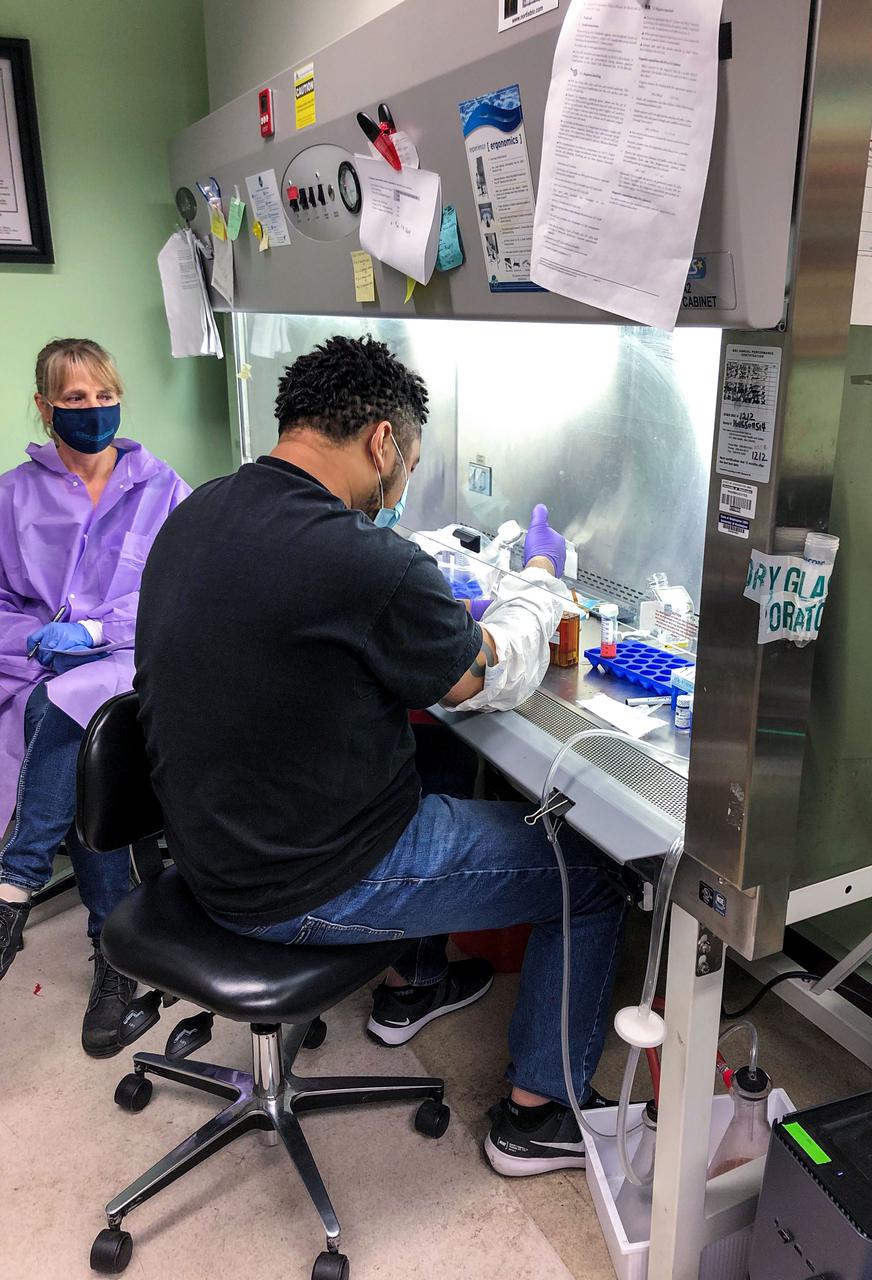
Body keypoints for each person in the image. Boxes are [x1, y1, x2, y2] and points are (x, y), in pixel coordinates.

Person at [135, 335, 626, 1176]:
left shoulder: (199, 512)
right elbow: (479, 676)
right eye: (409, 463)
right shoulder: (360, 558)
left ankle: (413, 986)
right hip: (302, 882)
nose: (399, 489)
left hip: (209, 851)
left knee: (429, 761)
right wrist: (540, 585)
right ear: (383, 443)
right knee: (591, 871)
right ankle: (538, 1115)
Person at [0, 338, 190, 1056]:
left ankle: (13, 885)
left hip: (133, 663)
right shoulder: (11, 495)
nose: (93, 410)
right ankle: (113, 952)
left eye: (105, 395)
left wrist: (96, 627)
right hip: (38, 668)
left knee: (82, 713)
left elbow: (182, 590)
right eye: (75, 399)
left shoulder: (162, 486)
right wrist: (36, 636)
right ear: (45, 406)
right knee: (82, 750)